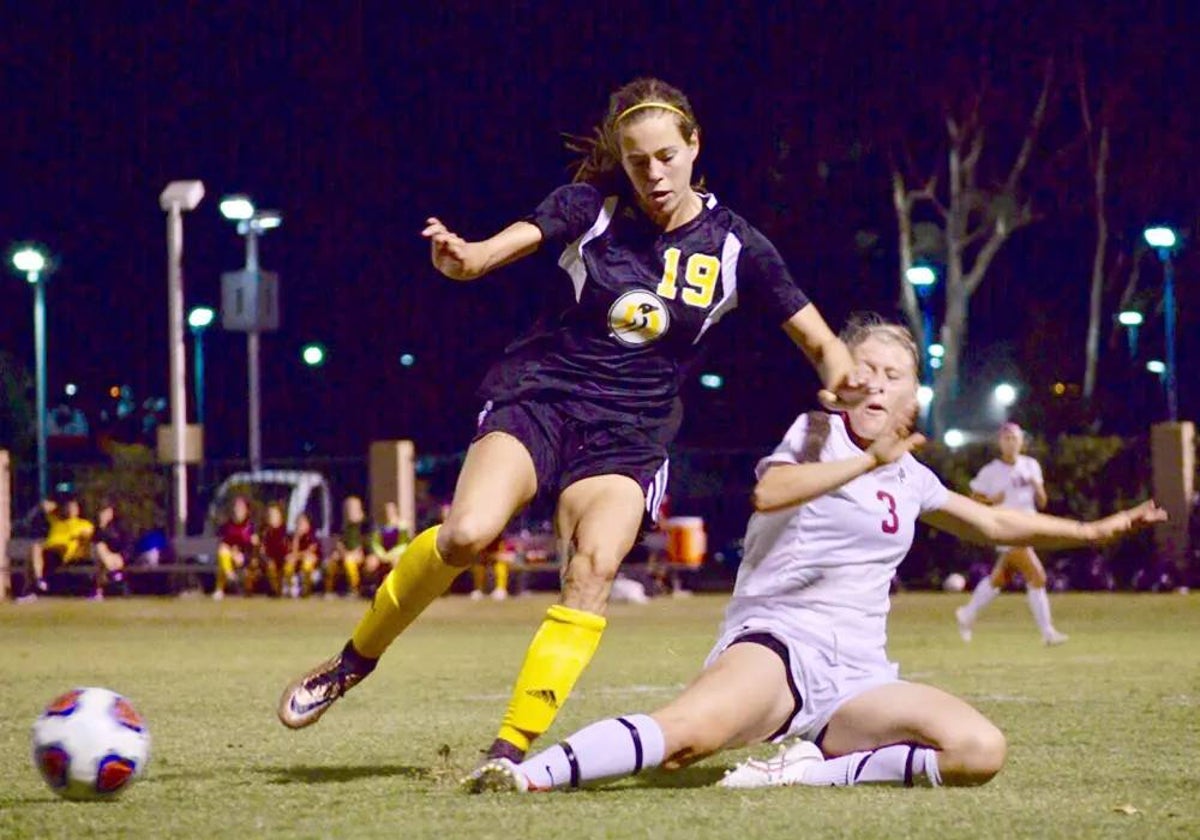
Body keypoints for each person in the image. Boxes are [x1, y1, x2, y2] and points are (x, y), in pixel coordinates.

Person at [277, 77, 863, 770]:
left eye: (667, 156)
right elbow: (502, 248)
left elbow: (821, 342)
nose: (655, 173)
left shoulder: (739, 247)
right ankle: (352, 662)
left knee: (592, 570)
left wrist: (844, 379)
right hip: (541, 399)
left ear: (694, 147)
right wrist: (467, 259)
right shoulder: (592, 208)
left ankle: (508, 751)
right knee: (466, 535)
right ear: (621, 156)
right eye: (639, 159)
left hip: (630, 434)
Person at [464, 316, 1166, 793]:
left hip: (857, 672)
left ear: (909, 398)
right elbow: (770, 493)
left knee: (979, 751)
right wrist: (865, 465)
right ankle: (529, 777)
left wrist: (1096, 532)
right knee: (688, 740)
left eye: (894, 375)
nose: (879, 384)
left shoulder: (911, 474)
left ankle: (802, 772)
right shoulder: (814, 433)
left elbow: (991, 522)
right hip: (777, 644)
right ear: (844, 383)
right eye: (868, 370)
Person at [955, 423, 1067, 645]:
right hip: (1007, 528)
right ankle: (1048, 633)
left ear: (1021, 441)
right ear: (1000, 442)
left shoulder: (1031, 465)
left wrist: (1037, 487)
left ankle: (967, 614)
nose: (1011, 442)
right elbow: (974, 498)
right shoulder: (991, 470)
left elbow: (1042, 501)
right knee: (1037, 576)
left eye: (1015, 438)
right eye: (1006, 438)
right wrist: (991, 500)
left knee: (1000, 578)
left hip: (1029, 527)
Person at [19, 496, 94, 601]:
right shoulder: (56, 520)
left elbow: (89, 535)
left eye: (73, 508)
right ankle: (35, 585)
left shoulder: (83, 524)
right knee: (33, 551)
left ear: (78, 510)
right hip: (48, 552)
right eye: (68, 507)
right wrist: (58, 506)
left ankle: (32, 588)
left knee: (37, 553)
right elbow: (44, 505)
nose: (71, 510)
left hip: (62, 554)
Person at [325, 496, 373, 599]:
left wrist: (360, 551)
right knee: (331, 561)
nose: (350, 510)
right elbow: (340, 542)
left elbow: (368, 542)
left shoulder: (365, 525)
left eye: (352, 508)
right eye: (348, 508)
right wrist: (340, 551)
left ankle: (354, 589)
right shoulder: (345, 526)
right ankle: (329, 590)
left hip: (360, 555)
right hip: (346, 553)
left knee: (349, 560)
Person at [213, 496, 257, 601]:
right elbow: (223, 544)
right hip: (230, 557)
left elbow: (254, 546)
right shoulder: (226, 526)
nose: (237, 510)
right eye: (236, 507)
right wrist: (234, 553)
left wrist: (244, 556)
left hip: (247, 557)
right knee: (223, 555)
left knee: (248, 570)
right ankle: (223, 584)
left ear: (246, 510)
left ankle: (244, 588)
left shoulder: (251, 526)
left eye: (241, 507)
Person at [90, 500, 129, 600]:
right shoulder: (96, 528)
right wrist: (101, 526)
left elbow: (126, 544)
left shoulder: (119, 526)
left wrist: (119, 555)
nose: (103, 515)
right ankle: (114, 573)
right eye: (101, 512)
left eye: (106, 512)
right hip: (104, 559)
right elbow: (95, 542)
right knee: (99, 548)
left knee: (100, 565)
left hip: (117, 557)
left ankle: (98, 591)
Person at [282, 512, 322, 598]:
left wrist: (295, 556)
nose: (299, 525)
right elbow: (289, 553)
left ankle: (306, 590)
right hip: (296, 568)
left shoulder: (312, 537)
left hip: (313, 571)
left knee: (307, 562)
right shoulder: (291, 537)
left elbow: (308, 552)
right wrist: (296, 538)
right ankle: (290, 588)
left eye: (302, 523)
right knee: (288, 564)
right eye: (297, 523)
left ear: (308, 524)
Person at [258, 503, 290, 597]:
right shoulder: (265, 531)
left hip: (283, 558)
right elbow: (262, 549)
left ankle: (285, 589)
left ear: (280, 515)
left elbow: (289, 547)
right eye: (270, 514)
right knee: (271, 565)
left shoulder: (286, 531)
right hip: (269, 560)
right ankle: (275, 591)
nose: (272, 517)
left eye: (275, 514)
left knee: (287, 566)